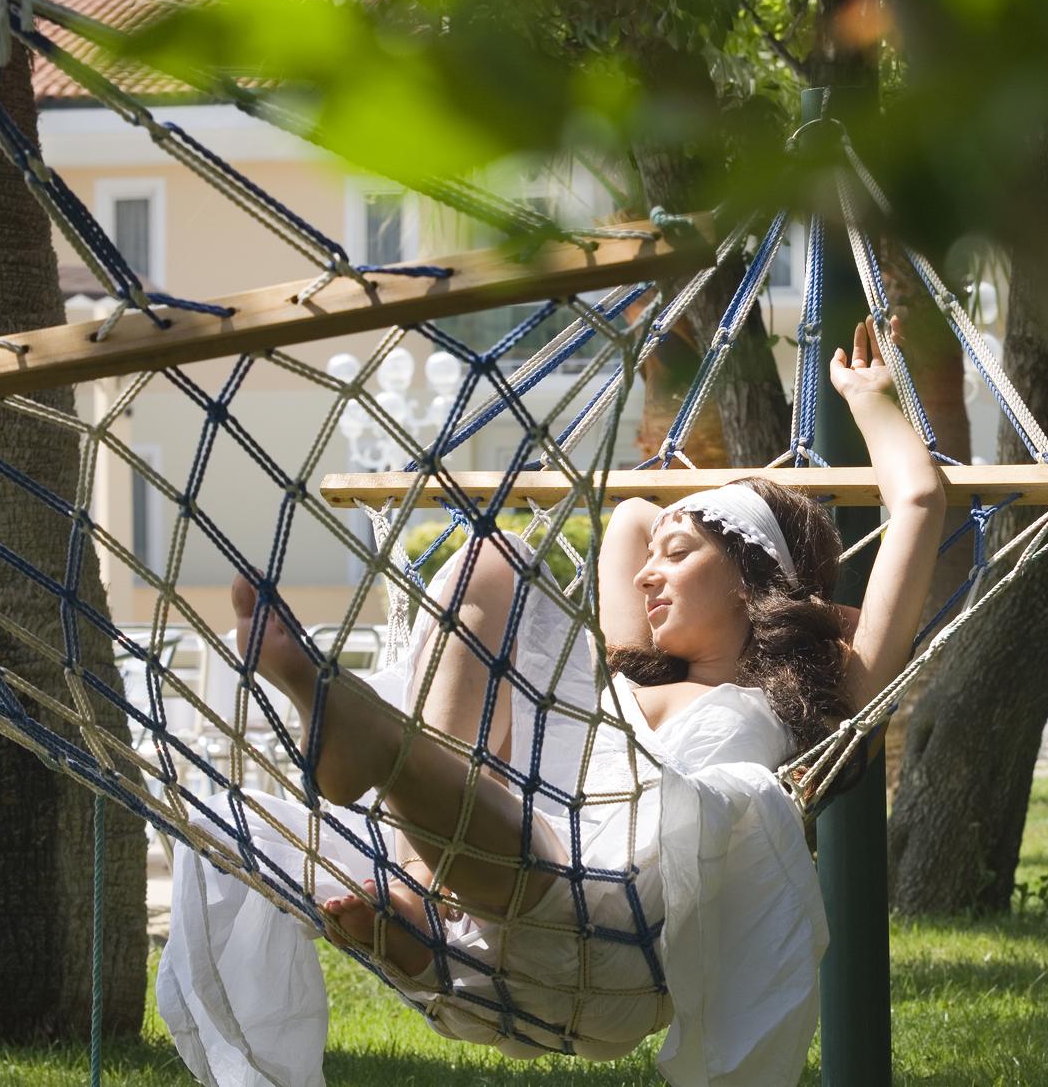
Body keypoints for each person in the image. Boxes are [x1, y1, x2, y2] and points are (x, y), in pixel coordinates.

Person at [155, 316, 945, 1087]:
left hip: (612, 929)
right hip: (496, 854)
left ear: (748, 580)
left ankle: (381, 757)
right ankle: (411, 862)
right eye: (654, 563)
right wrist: (688, 520)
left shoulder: (815, 700)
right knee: (489, 562)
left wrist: (868, 400)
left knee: (527, 858)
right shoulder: (638, 671)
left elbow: (917, 506)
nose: (644, 573)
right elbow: (634, 517)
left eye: (679, 556)